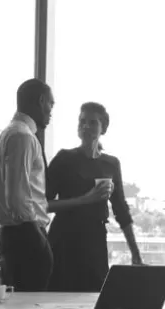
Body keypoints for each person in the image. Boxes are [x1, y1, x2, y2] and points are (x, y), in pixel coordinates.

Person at [45, 102, 143, 292]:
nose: (86, 126)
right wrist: (86, 199)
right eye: (82, 121)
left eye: (92, 122)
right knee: (59, 296)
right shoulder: (64, 159)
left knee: (94, 296)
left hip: (95, 239)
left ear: (103, 128)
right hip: (64, 238)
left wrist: (136, 254)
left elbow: (121, 210)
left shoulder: (111, 164)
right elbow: (44, 204)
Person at [0, 78, 55, 291]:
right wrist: (37, 237)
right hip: (25, 235)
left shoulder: (9, 134)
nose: (51, 112)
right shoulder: (22, 136)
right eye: (50, 104)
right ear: (41, 100)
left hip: (15, 235)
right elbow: (17, 198)